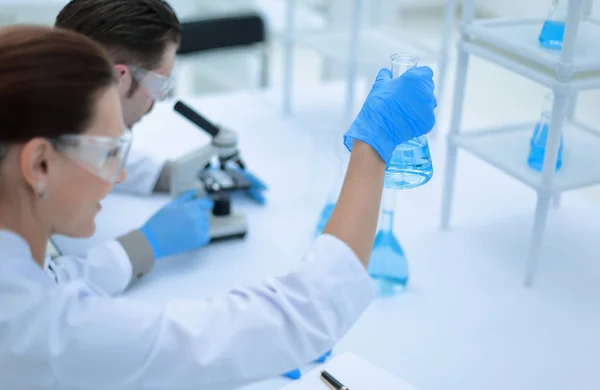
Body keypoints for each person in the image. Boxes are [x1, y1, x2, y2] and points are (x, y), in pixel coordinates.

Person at [0, 23, 435, 390]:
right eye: (110, 152)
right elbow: (303, 313)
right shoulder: (39, 330)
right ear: (39, 164)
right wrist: (373, 148)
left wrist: (141, 246)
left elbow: (53, 283)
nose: (121, 176)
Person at [48, 0, 266, 295]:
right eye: (160, 85)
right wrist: (144, 245)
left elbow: (87, 154)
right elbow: (40, 296)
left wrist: (178, 175)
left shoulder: (43, 111)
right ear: (119, 78)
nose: (159, 101)